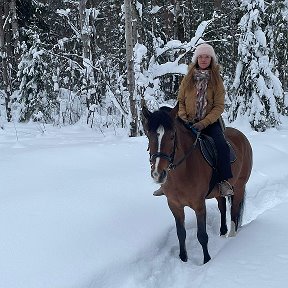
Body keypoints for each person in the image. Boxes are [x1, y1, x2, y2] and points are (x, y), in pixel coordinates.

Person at [153, 43, 233, 197]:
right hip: (187, 120)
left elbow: (219, 106)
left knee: (221, 145)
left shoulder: (217, 80)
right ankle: (166, 182)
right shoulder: (187, 78)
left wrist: (204, 122)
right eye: (201, 57)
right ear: (196, 59)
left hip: (209, 123)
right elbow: (180, 100)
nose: (203, 59)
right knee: (171, 145)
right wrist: (182, 116)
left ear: (211, 59)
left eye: (207, 57)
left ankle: (223, 182)